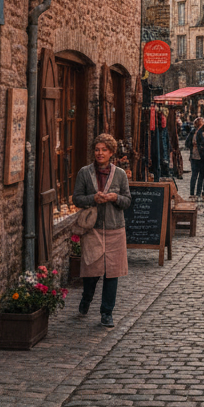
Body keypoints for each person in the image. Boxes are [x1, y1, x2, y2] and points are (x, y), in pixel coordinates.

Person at [73, 134, 131, 327]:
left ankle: (107, 312)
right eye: (97, 149)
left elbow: (127, 201)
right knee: (92, 270)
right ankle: (87, 298)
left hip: (115, 228)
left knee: (112, 272)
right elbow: (77, 198)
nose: (100, 153)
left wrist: (115, 197)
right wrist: (93, 199)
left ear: (111, 153)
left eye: (104, 150)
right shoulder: (84, 173)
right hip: (93, 229)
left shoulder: (120, 174)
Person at [187, 117, 204, 200]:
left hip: (200, 156)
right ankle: (193, 193)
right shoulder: (194, 132)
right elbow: (187, 142)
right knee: (195, 175)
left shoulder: (202, 132)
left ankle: (197, 193)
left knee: (199, 175)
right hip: (195, 156)